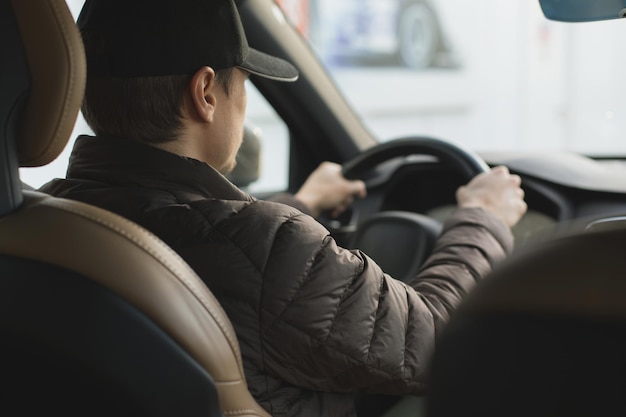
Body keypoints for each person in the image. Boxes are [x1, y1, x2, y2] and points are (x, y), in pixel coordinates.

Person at [39, 0, 527, 415]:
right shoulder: (272, 249)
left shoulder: (53, 218)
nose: (245, 100)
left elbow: (210, 243)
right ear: (206, 93)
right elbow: (432, 339)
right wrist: (482, 218)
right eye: (245, 82)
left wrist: (301, 204)